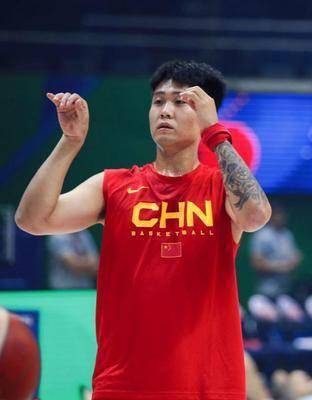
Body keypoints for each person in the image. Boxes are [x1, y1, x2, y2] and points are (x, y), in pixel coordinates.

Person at [14, 60, 271, 399]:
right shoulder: (113, 185)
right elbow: (32, 219)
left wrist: (216, 133)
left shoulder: (221, 189)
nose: (165, 110)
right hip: (124, 384)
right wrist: (69, 142)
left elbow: (255, 216)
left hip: (208, 387)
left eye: (181, 102)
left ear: (206, 111)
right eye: (158, 101)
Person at [250, 204, 302, 298]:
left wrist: (294, 262)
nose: (281, 217)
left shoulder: (287, 234)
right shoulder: (262, 235)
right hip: (267, 290)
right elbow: (257, 263)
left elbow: (296, 256)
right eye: (278, 214)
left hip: (286, 289)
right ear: (270, 215)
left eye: (282, 214)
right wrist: (282, 267)